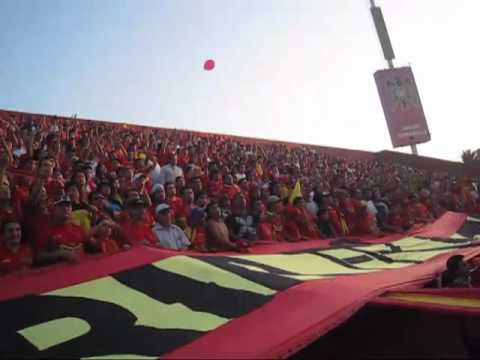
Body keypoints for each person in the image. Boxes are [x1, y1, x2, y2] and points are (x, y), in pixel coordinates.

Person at [34, 196, 89, 265]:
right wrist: (59, 254)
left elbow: (89, 245)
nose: (66, 209)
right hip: (59, 273)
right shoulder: (46, 231)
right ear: (53, 209)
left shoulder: (77, 228)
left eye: (68, 206)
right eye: (61, 206)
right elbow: (38, 257)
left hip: (83, 270)